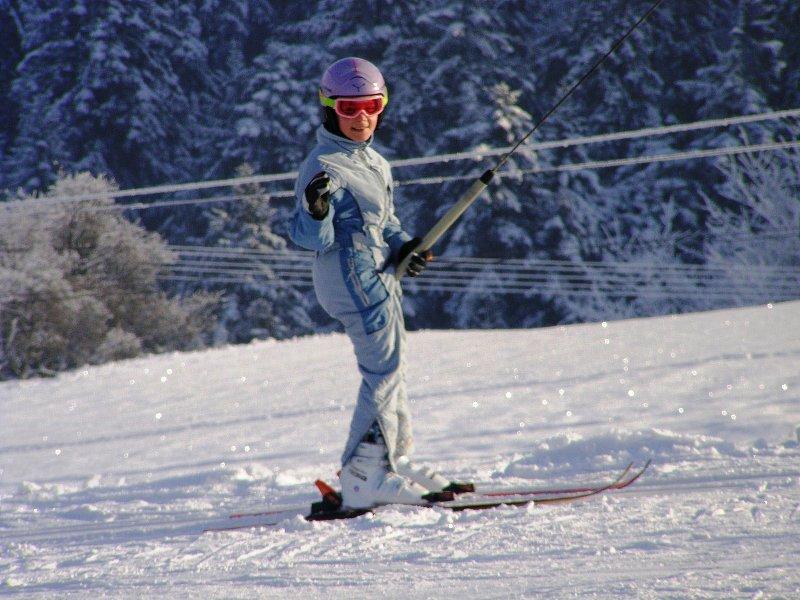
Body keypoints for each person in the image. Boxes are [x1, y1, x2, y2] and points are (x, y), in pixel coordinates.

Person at [290, 57, 465, 509]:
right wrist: (316, 208)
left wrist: (405, 246)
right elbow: (313, 238)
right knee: (382, 372)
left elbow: (383, 223)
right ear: (329, 110)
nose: (361, 116)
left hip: (377, 275)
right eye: (348, 108)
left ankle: (395, 459)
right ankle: (362, 473)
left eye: (370, 105)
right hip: (352, 278)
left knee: (392, 368)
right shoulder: (324, 165)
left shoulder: (373, 161)